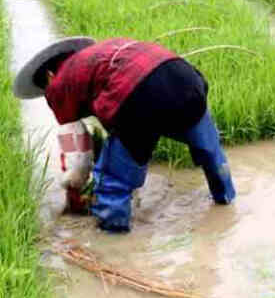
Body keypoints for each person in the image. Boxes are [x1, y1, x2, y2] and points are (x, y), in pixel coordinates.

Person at [13, 36, 236, 233]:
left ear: (50, 75)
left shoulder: (59, 83)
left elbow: (76, 145)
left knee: (114, 182)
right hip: (186, 78)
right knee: (210, 150)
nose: (48, 94)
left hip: (140, 95)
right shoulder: (104, 53)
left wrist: (77, 184)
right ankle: (225, 199)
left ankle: (113, 236)